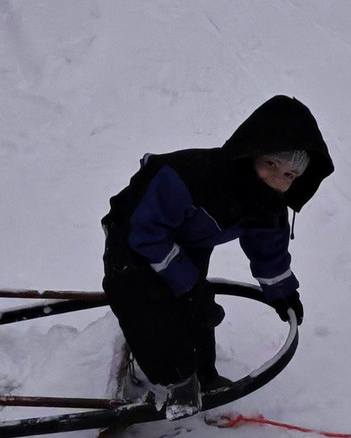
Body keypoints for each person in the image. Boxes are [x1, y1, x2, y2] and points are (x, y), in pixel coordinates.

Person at [101, 95, 334, 420]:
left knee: (198, 306)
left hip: (189, 238)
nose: (276, 178)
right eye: (271, 164)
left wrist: (283, 293)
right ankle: (174, 380)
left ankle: (203, 375)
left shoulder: (266, 204)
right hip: (136, 227)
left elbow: (269, 252)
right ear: (252, 152)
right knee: (141, 294)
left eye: (289, 175)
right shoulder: (195, 178)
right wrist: (186, 284)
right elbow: (146, 232)